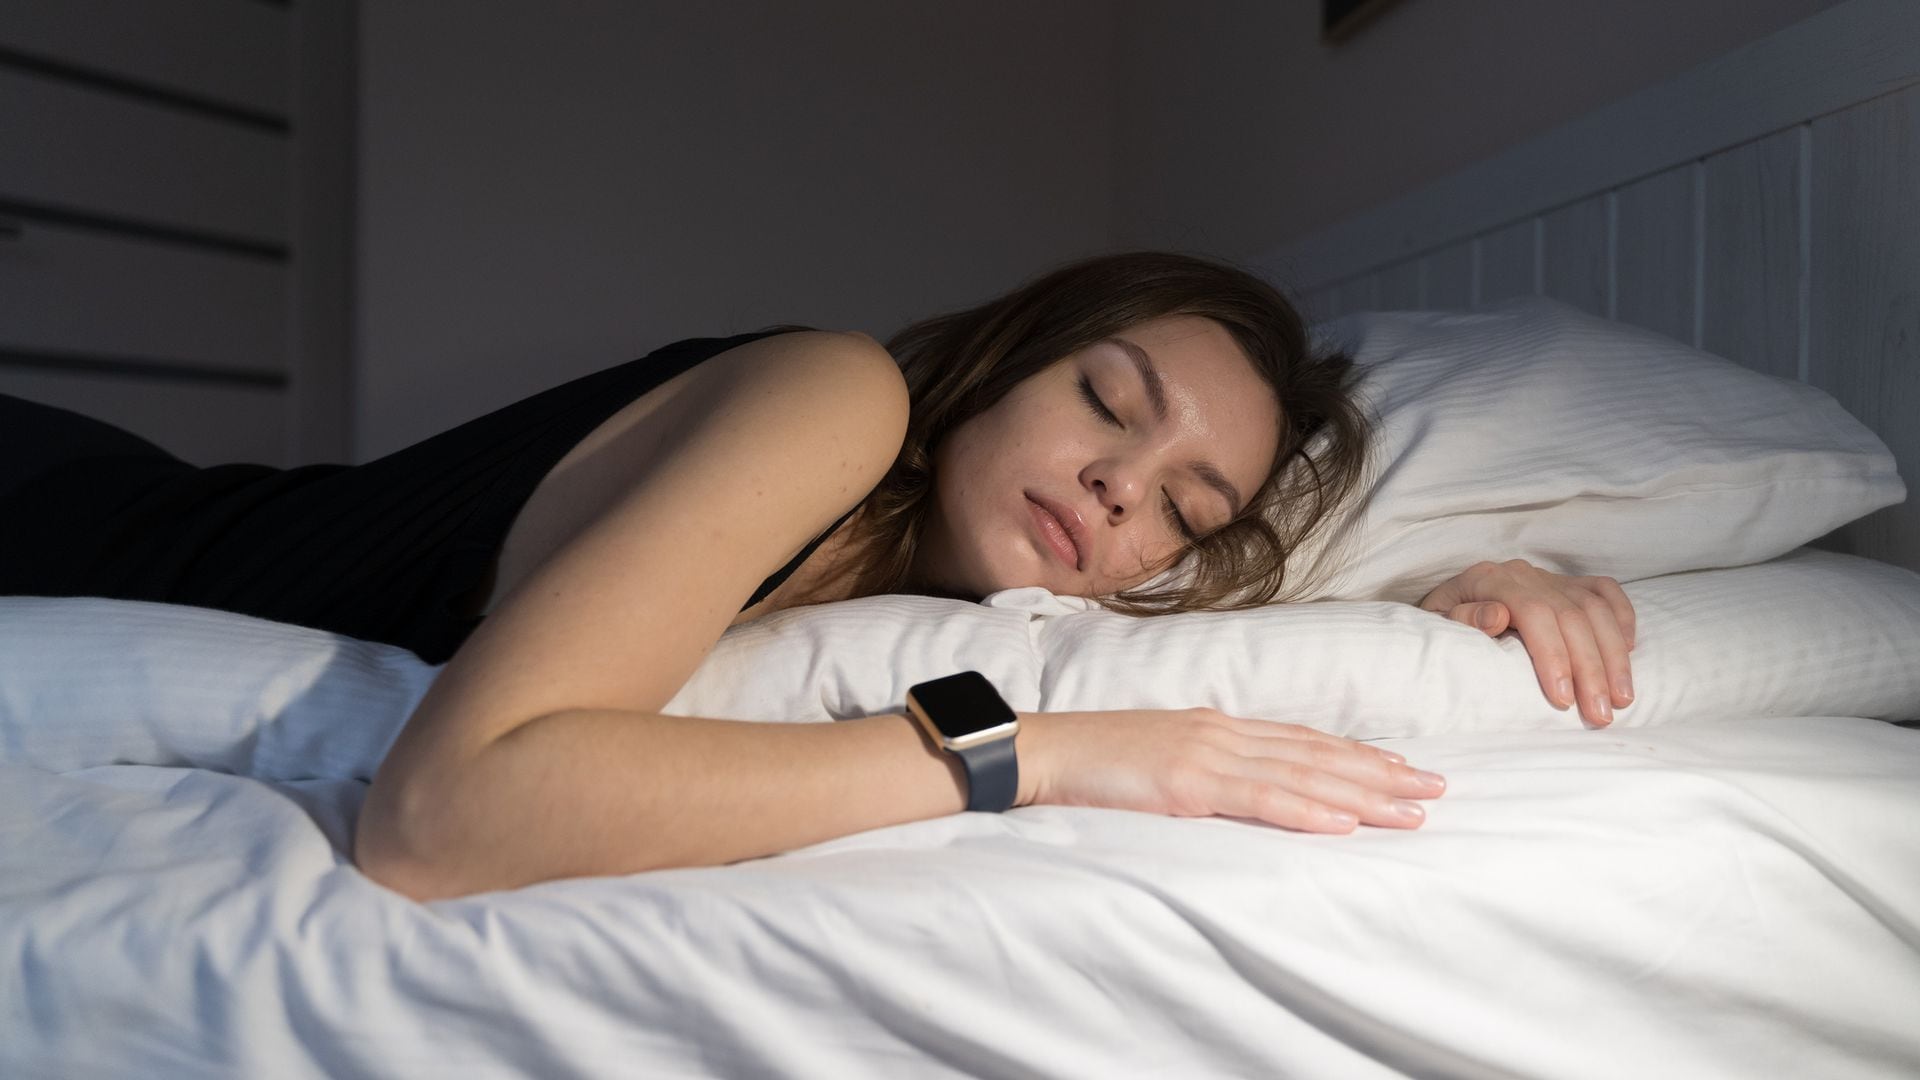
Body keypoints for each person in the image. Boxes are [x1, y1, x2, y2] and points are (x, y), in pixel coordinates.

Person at [0, 251, 1636, 901]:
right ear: (1004, 368)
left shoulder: (1012, 587)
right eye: (1103, 404)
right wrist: (1038, 756)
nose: (1116, 488)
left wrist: (1482, 576)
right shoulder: (832, 396)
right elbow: (445, 822)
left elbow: (1264, 602)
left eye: (1183, 505)